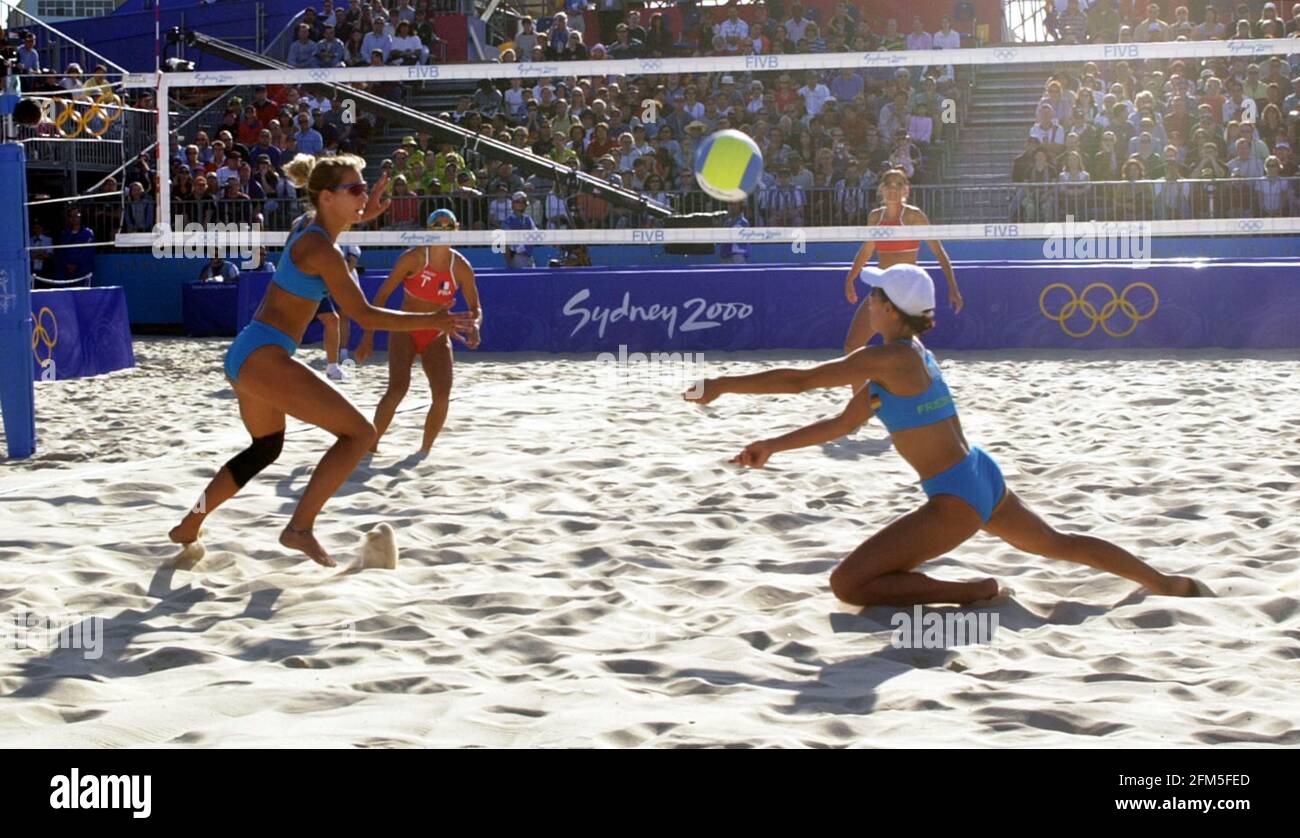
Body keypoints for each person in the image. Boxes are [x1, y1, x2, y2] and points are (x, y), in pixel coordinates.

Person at [685, 264, 1209, 606]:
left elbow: (801, 380)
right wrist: (770, 446)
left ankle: (969, 592)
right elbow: (842, 425)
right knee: (1059, 544)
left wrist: (722, 384)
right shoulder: (909, 358)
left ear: (890, 309)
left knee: (847, 585)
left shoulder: (886, 357)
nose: (866, 301)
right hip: (980, 474)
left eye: (873, 295)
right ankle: (1169, 584)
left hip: (956, 498)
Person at [167, 154, 476, 567]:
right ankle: (299, 529)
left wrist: (366, 212)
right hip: (263, 355)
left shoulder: (311, 230)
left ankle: (189, 525)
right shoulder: (322, 249)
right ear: (328, 197)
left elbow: (337, 224)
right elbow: (363, 315)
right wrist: (434, 318)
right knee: (359, 434)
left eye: (364, 186)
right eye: (356, 189)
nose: (364, 194)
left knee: (265, 448)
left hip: (249, 350)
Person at [358, 209, 482, 454]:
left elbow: (475, 306)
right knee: (397, 389)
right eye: (438, 225)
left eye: (449, 226)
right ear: (428, 229)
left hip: (436, 333)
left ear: (456, 230)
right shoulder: (413, 258)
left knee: (442, 394)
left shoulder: (461, 267)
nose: (443, 230)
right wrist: (368, 336)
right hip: (406, 326)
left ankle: (424, 452)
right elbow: (381, 296)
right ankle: (369, 447)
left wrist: (476, 325)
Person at [843, 169, 961, 360]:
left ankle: (922, 385)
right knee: (852, 346)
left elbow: (939, 252)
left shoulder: (914, 217)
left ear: (906, 190)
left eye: (899, 185)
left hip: (907, 291)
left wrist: (953, 288)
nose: (893, 189)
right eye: (889, 184)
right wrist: (850, 279)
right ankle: (865, 391)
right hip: (881, 288)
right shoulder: (875, 217)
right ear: (881, 189)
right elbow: (866, 251)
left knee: (906, 352)